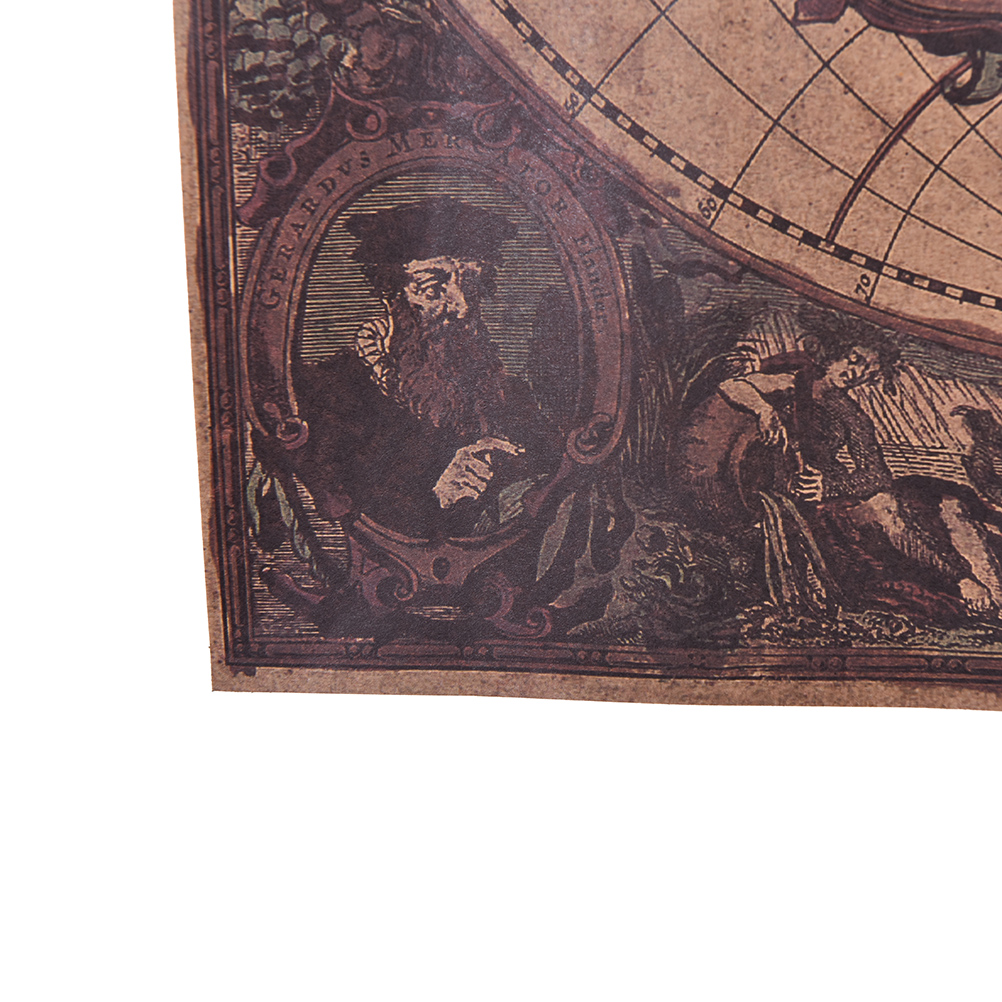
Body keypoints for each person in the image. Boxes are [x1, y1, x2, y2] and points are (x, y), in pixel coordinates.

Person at [260, 196, 560, 539]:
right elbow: (330, 517)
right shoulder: (324, 395)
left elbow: (558, 472)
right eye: (432, 288)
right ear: (391, 295)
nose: (462, 307)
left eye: (471, 285)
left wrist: (510, 467)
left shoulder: (510, 394)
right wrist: (436, 493)